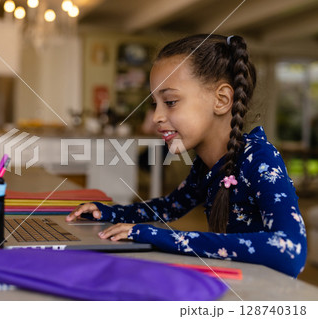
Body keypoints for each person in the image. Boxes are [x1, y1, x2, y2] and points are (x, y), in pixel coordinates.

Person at [66, 34, 307, 278]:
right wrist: (109, 213)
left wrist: (156, 235)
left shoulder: (260, 158)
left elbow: (291, 251)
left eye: (170, 102)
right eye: (155, 104)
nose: (157, 116)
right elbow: (169, 207)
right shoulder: (206, 165)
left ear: (222, 100)